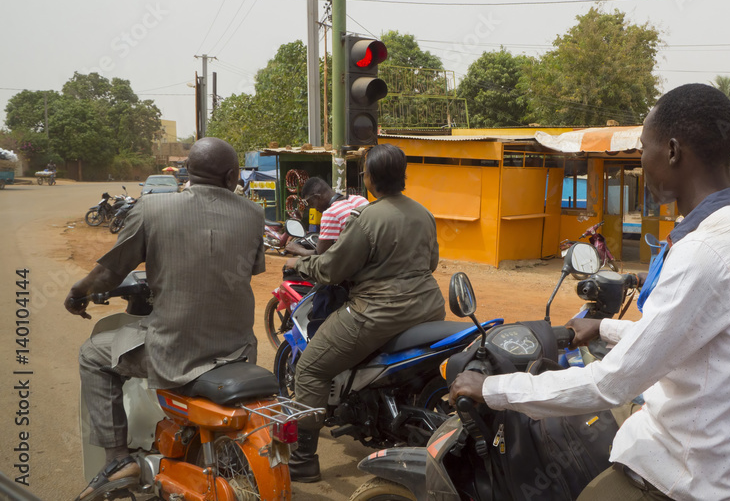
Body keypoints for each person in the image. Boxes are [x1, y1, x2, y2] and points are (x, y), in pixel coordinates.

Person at [450, 84, 730, 501]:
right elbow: (688, 342)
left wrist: (492, 390)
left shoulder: (703, 253)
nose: (640, 162)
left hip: (683, 475)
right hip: (728, 457)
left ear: (671, 151)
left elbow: (611, 384)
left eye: (643, 149)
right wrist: (605, 328)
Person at [64, 137, 265, 501]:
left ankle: (117, 460)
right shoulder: (254, 214)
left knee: (92, 354)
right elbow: (246, 271)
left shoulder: (151, 209)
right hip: (237, 349)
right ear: (233, 175)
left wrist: (77, 294)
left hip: (177, 353)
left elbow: (109, 273)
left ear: (187, 171)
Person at [282, 144, 445, 482]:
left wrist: (298, 262)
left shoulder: (369, 217)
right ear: (402, 176)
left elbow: (332, 269)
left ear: (370, 178)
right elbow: (430, 263)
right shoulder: (423, 213)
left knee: (311, 369)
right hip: (429, 307)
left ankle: (302, 461)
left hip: (378, 312)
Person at [284, 177, 368, 256]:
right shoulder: (360, 200)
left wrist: (298, 250)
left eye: (311, 204)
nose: (314, 209)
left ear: (317, 197)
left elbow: (320, 255)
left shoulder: (330, 213)